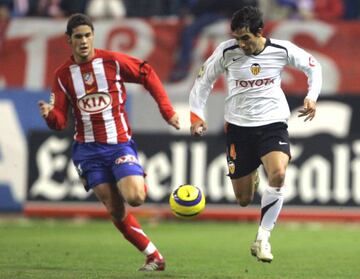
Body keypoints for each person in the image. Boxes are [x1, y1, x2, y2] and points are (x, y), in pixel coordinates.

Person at [38, 13, 180, 271]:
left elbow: (146, 72)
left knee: (135, 197)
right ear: (68, 40)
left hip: (119, 144)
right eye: (78, 37)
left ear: (93, 36)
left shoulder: (112, 62)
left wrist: (167, 110)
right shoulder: (62, 76)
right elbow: (60, 121)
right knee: (115, 209)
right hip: (88, 151)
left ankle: (130, 173)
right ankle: (153, 256)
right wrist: (50, 116)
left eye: (87, 35)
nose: (83, 41)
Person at [189, 6, 321, 263]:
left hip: (272, 125)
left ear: (260, 32)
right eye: (237, 38)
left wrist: (311, 97)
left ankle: (263, 238)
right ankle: (253, 178)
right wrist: (196, 117)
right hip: (238, 129)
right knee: (243, 199)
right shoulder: (227, 52)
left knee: (279, 173)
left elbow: (314, 68)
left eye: (245, 38)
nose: (241, 43)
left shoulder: (281, 50)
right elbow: (203, 82)